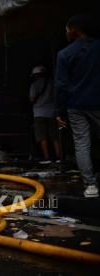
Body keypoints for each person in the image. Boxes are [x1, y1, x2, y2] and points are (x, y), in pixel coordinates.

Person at [55, 15, 100, 198]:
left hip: (76, 105)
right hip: (97, 102)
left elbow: (61, 85)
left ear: (74, 29)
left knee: (82, 144)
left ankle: (90, 186)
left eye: (66, 29)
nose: (66, 33)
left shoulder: (65, 54)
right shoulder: (98, 47)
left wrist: (60, 111)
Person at [29, 65, 62, 164]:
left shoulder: (34, 85)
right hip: (52, 112)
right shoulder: (52, 83)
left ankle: (47, 158)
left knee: (42, 136)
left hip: (39, 113)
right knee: (54, 136)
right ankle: (58, 157)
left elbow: (31, 99)